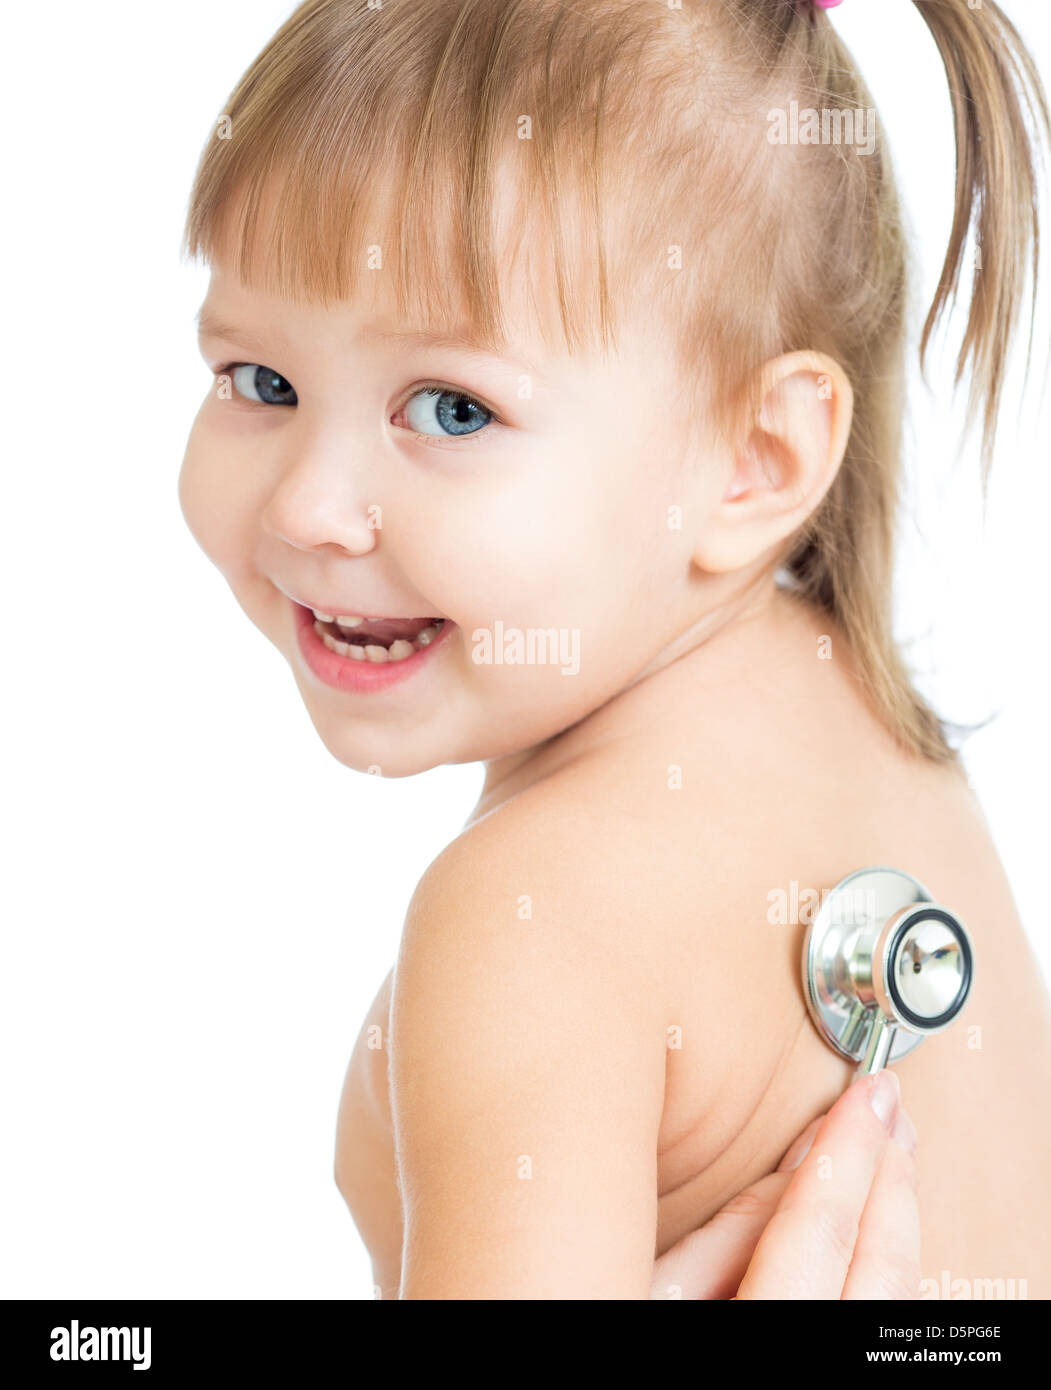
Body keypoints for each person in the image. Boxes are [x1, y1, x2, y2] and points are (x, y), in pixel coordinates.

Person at [178, 0, 1051, 1297]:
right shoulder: (871, 737)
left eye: (453, 406)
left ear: (758, 459)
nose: (307, 504)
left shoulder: (528, 914)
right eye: (259, 381)